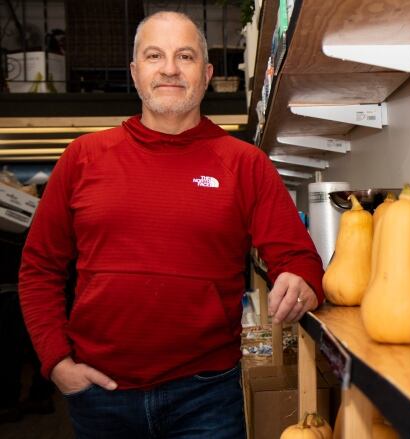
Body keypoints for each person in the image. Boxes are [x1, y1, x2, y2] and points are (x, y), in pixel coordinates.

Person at [18, 11, 324, 438]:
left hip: (206, 398)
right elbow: (39, 268)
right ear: (135, 71)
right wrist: (57, 363)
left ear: (207, 73)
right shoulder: (82, 158)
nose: (169, 68)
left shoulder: (244, 163)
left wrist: (300, 277)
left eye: (185, 56)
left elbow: (299, 257)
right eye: (154, 55)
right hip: (99, 395)